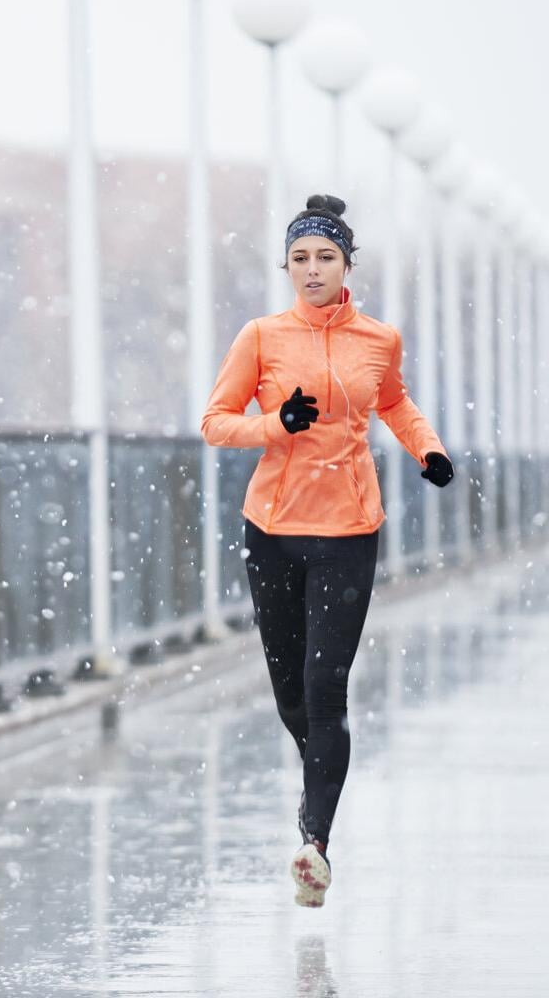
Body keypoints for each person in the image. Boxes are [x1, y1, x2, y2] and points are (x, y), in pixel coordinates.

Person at [200, 193, 453, 908]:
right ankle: (318, 775)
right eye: (300, 258)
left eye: (326, 257)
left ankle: (315, 843)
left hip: (348, 531)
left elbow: (396, 404)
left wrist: (427, 448)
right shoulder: (261, 336)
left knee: (324, 686)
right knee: (290, 692)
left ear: (347, 265)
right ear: (286, 265)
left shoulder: (379, 338)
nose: (312, 270)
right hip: (273, 532)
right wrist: (275, 424)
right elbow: (216, 423)